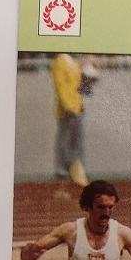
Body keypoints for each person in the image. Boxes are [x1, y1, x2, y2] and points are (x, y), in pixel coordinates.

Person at [51, 53, 90, 187]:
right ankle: (62, 170)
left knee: (76, 140)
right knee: (65, 139)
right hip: (67, 108)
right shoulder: (60, 61)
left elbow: (78, 86)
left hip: (77, 106)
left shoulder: (73, 62)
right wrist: (67, 105)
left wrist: (80, 103)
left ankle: (76, 169)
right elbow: (60, 86)